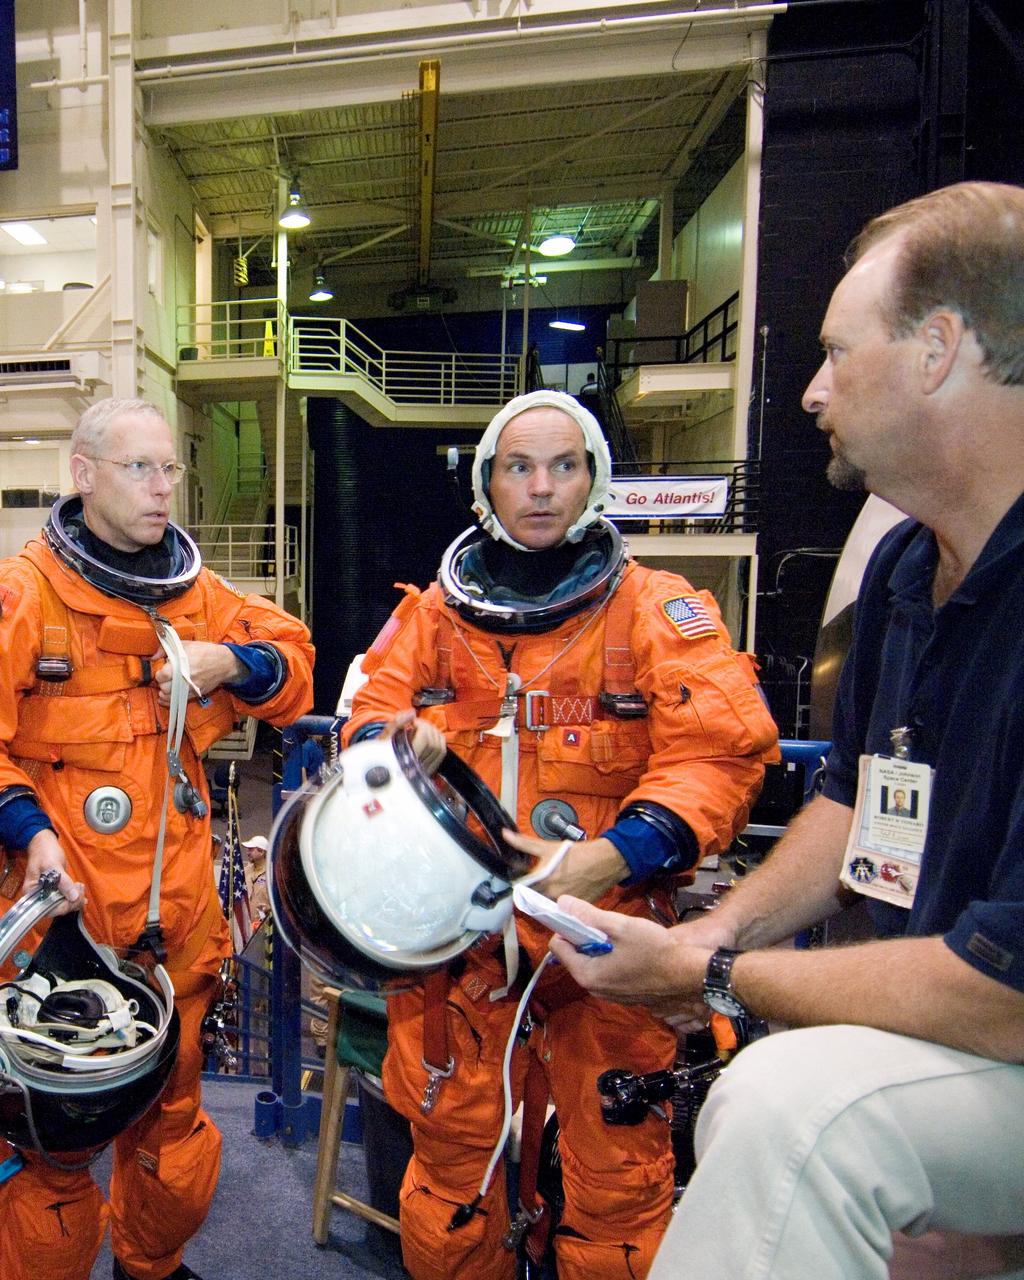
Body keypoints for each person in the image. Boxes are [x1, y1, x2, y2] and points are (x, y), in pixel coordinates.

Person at [548, 182, 1024, 1280]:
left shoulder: (662, 609)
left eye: (833, 352)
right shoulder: (909, 572)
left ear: (937, 348)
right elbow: (851, 804)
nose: (810, 391)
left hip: (996, 1016)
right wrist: (723, 940)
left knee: (791, 1117)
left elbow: (1001, 986)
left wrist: (706, 967)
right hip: (958, 1027)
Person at [343, 389, 779, 1280]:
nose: (541, 488)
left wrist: (615, 856)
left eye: (564, 465)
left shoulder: (654, 610)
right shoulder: (431, 617)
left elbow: (719, 756)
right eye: (518, 467)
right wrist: (392, 745)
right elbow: (362, 720)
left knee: (618, 1191)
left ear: (595, 480)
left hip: (605, 942)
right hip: (460, 948)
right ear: (486, 486)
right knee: (451, 1178)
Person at [0, 398, 315, 1280]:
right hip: (58, 926)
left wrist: (234, 663)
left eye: (169, 469)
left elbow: (292, 667)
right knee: (51, 1152)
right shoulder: (25, 596)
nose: (160, 488)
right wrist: (29, 831)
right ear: (84, 473)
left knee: (172, 1136)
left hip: (172, 924)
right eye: (139, 468)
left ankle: (151, 1262)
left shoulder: (198, 595)